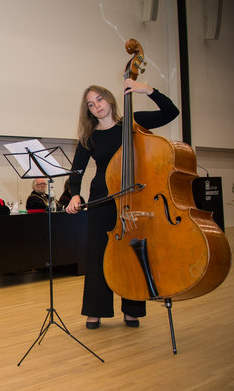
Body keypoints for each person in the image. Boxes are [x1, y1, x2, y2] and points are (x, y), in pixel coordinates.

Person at [65, 80, 179, 329]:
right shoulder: (89, 137)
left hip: (133, 197)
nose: (97, 106)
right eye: (91, 104)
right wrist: (74, 194)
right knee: (97, 253)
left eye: (100, 100)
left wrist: (147, 90)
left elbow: (172, 113)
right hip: (102, 199)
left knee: (132, 252)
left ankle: (132, 309)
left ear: (110, 99)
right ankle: (95, 310)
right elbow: (77, 171)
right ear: (88, 111)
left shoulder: (133, 123)